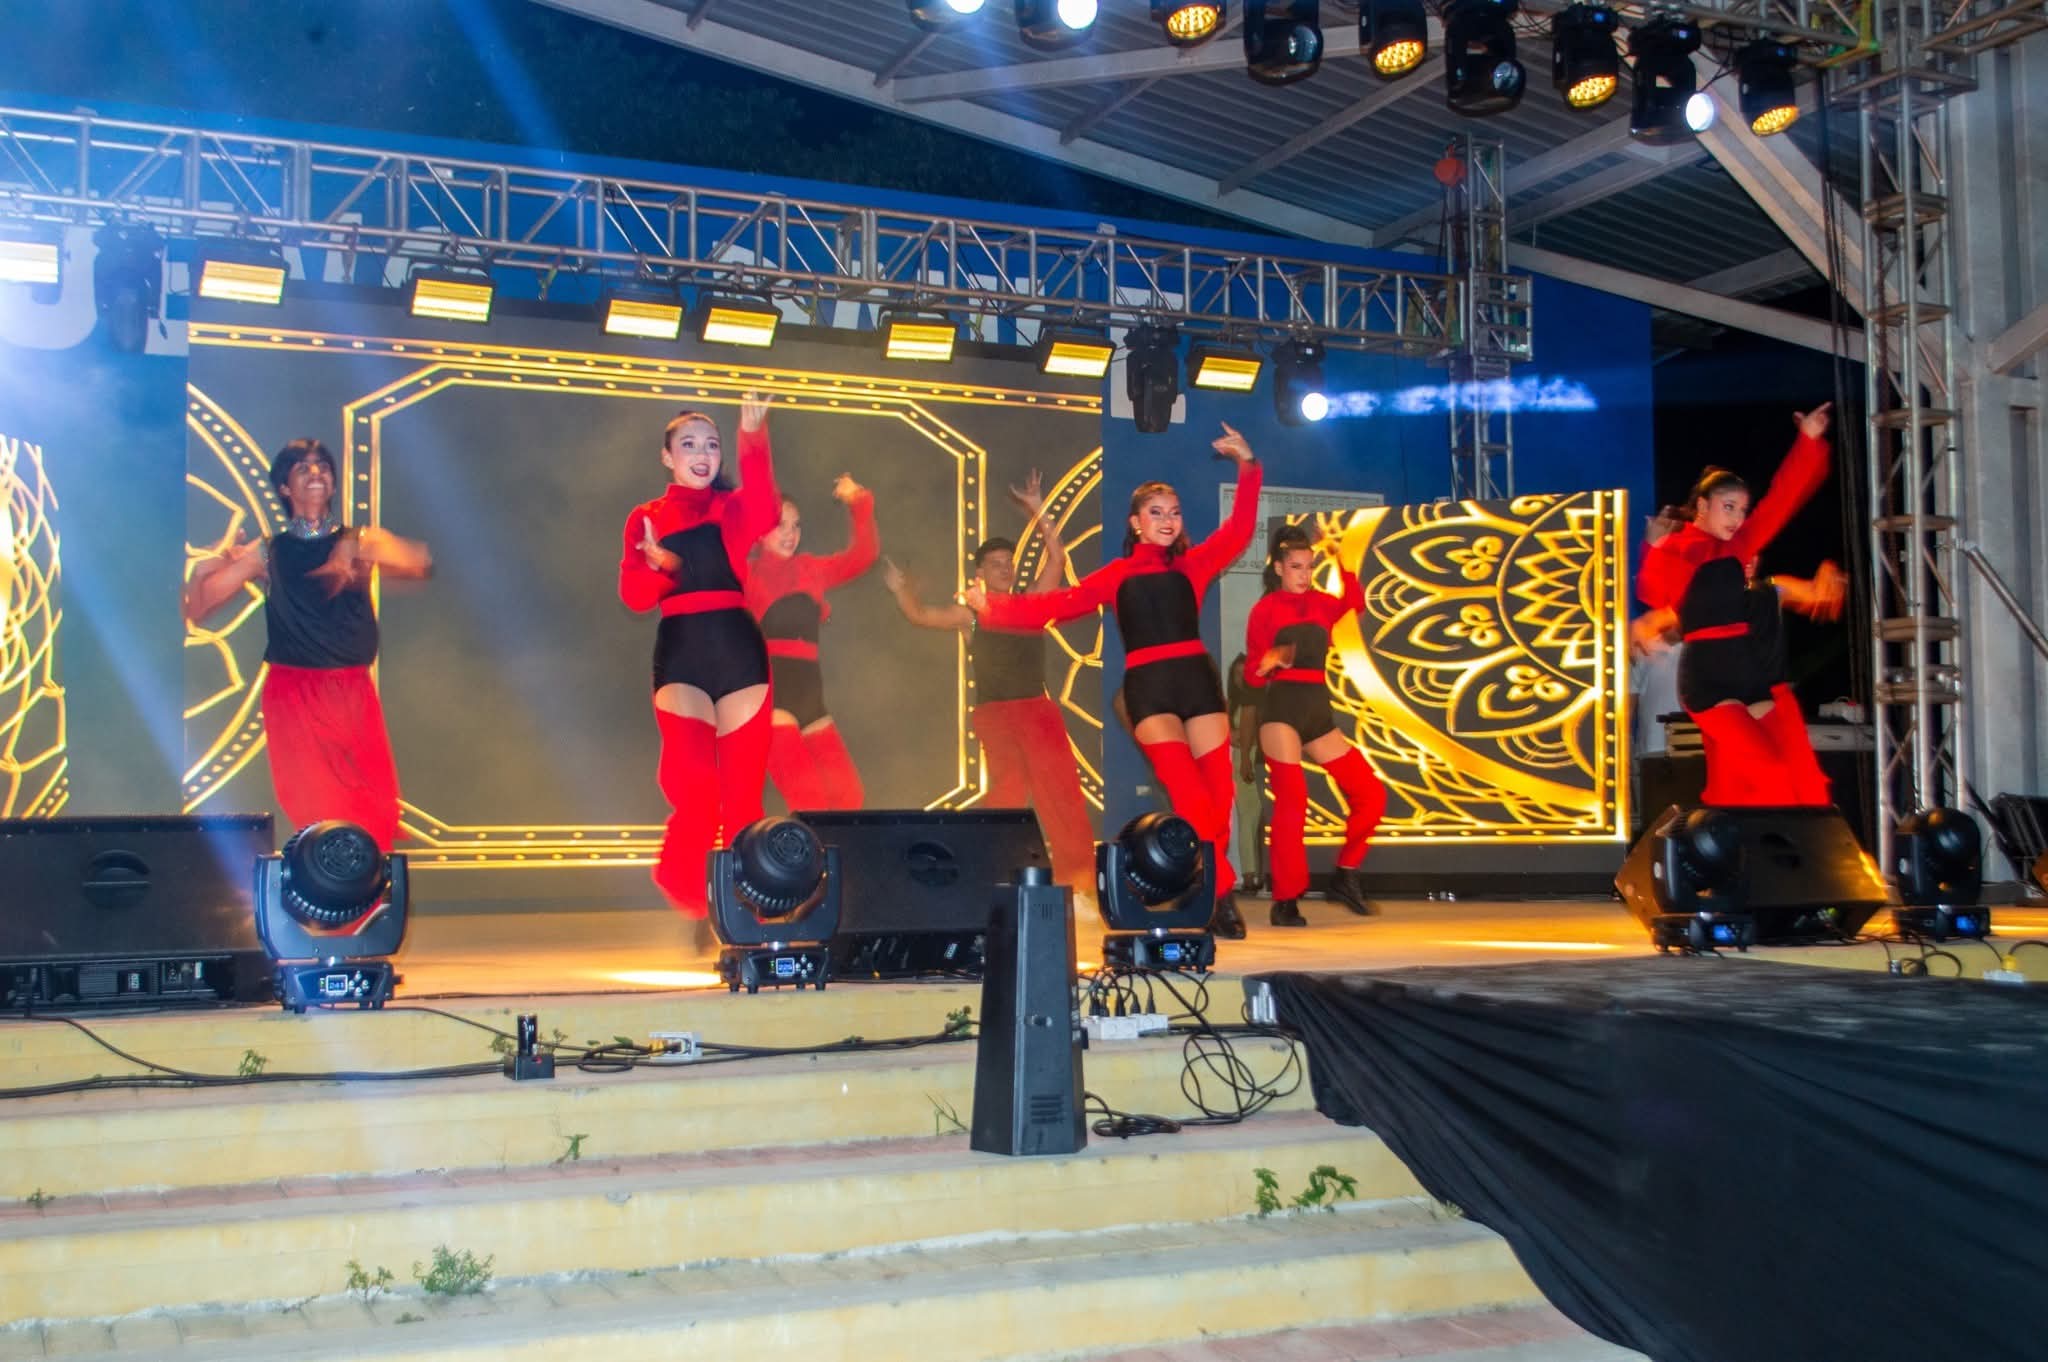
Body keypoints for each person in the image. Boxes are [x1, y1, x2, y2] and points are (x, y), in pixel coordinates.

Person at [965, 425, 1262, 938]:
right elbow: (1056, 605)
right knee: (1190, 797)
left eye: (1174, 512)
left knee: (1219, 797)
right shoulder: (1118, 574)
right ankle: (1218, 891)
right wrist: (992, 608)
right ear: (1136, 523)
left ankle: (1205, 881)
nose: (1167, 520)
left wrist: (1248, 466)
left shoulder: (1193, 565)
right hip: (1150, 690)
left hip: (1198, 684)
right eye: (1156, 513)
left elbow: (1238, 531)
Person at [182, 438, 432, 852]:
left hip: (351, 691)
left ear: (331, 483)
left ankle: (366, 888)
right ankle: (325, 886)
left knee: (371, 810)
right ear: (285, 487)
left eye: (323, 467)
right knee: (319, 811)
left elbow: (417, 563)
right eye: (303, 468)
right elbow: (199, 605)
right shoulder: (270, 551)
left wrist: (359, 547)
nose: (316, 473)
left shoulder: (359, 539)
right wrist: (207, 566)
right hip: (294, 695)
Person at [883, 471, 1097, 907]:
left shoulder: (1030, 603)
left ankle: (1078, 885)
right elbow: (921, 616)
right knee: (1006, 797)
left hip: (1036, 711)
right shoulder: (972, 614)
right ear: (980, 572)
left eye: (1009, 562)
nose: (1005, 568)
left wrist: (1037, 508)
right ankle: (994, 880)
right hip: (996, 714)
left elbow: (1057, 558)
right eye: (996, 563)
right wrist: (902, 591)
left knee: (1061, 796)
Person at [618, 394, 780, 936]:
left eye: (711, 444)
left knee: (744, 798)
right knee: (696, 791)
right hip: (682, 650)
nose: (702, 453)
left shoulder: (731, 508)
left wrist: (752, 438)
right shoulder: (647, 517)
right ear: (668, 457)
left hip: (739, 650)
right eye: (689, 444)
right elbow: (635, 597)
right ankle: (690, 891)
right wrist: (661, 565)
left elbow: (766, 511)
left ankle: (744, 907)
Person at [1633, 402, 1844, 807]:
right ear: (1702, 506)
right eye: (1728, 507)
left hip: (1750, 675)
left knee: (1791, 777)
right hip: (1710, 681)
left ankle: (1741, 837)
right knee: (1770, 772)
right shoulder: (1681, 548)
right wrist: (1655, 548)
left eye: (1742, 510)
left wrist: (1807, 441)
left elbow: (1781, 501)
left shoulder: (1739, 545)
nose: (1737, 518)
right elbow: (1655, 593)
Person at [1242, 526, 1386, 926]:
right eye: (1296, 567)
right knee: (1293, 802)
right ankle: (1285, 899)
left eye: (1309, 567)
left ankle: (1345, 875)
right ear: (1278, 568)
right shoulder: (1265, 610)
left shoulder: (1322, 604)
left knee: (1370, 794)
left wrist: (1339, 555)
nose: (1304, 575)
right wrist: (1267, 663)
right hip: (1281, 710)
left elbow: (1355, 600)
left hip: (1317, 711)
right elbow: (1251, 677)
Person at [746, 475, 879, 811]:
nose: (790, 533)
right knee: (809, 800)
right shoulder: (747, 575)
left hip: (811, 697)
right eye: (780, 525)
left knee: (849, 797)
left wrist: (858, 500)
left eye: (796, 526)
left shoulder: (810, 569)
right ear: (759, 531)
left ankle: (834, 851)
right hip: (770, 697)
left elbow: (863, 555)